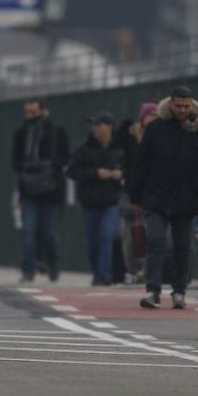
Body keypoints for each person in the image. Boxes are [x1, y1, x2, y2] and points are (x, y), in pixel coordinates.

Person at [129, 86, 198, 309]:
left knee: (182, 246)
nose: (182, 110)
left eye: (186, 106)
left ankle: (179, 291)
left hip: (185, 197)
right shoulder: (155, 129)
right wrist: (137, 194)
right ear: (170, 104)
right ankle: (153, 290)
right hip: (156, 195)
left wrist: (196, 186)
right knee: (155, 240)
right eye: (178, 106)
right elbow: (142, 162)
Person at [12, 98, 70, 283]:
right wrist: (29, 169)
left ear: (42, 111)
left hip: (52, 191)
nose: (30, 116)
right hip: (29, 190)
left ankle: (53, 266)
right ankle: (28, 270)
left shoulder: (56, 131)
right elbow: (15, 162)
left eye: (34, 112)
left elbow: (65, 157)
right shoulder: (21, 134)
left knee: (50, 234)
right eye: (27, 112)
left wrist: (49, 167)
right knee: (28, 232)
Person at [67, 112, 125, 286]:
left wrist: (120, 174)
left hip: (111, 201)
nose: (95, 128)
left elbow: (131, 167)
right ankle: (97, 272)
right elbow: (72, 171)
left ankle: (105, 274)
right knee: (93, 241)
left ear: (109, 127)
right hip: (90, 201)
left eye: (98, 124)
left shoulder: (120, 148)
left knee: (106, 234)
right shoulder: (83, 149)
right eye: (94, 125)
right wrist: (95, 173)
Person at [115, 102, 159, 283]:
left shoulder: (161, 135)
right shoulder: (131, 136)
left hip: (154, 191)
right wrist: (124, 126)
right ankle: (132, 270)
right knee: (130, 234)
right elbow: (117, 142)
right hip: (132, 191)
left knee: (153, 234)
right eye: (150, 115)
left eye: (156, 115)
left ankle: (148, 270)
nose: (153, 119)